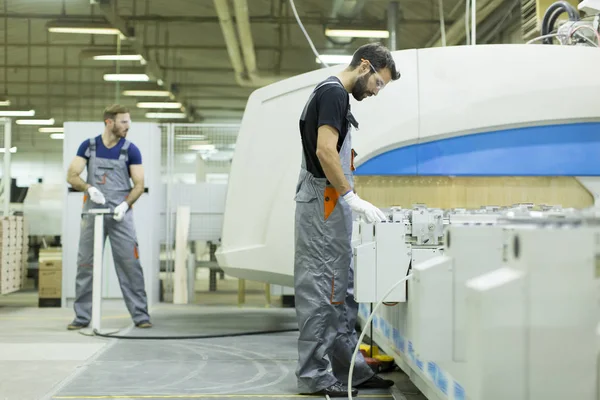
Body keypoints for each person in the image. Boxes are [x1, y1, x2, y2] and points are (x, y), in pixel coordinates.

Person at [293, 43, 401, 397]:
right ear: (364, 66)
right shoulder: (333, 94)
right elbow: (326, 150)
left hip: (331, 202)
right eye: (378, 84)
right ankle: (314, 375)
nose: (376, 92)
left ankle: (347, 367)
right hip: (325, 200)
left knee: (342, 285)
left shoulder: (337, 96)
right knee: (324, 288)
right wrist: (350, 196)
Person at [66, 104, 152, 330]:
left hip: (120, 214)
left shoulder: (131, 150)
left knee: (129, 264)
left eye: (128, 121)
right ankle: (82, 317)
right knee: (86, 264)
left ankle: (141, 315)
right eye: (123, 121)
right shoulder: (89, 146)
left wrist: (125, 204)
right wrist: (88, 188)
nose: (128, 126)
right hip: (93, 212)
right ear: (109, 122)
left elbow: (139, 184)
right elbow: (72, 175)